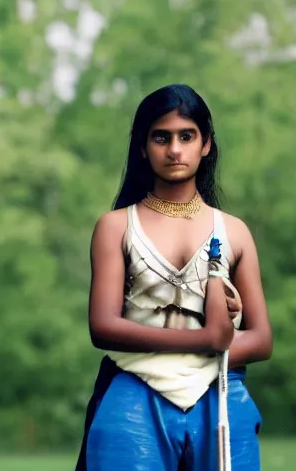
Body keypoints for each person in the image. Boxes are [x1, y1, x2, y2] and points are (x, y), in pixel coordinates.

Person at [79, 84, 272, 471]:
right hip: (136, 387)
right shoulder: (116, 226)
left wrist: (222, 341)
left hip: (219, 391)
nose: (174, 150)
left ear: (206, 144)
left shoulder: (234, 231)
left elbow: (263, 339)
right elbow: (102, 327)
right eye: (161, 137)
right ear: (142, 146)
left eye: (187, 136)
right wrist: (208, 338)